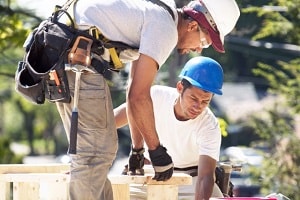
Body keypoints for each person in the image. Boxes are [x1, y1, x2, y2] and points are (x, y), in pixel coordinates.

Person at [56, 0, 240, 199]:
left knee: (93, 153)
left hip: (65, 53)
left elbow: (132, 90)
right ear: (193, 25)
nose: (199, 49)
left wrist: (137, 149)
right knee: (96, 155)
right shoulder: (166, 28)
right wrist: (156, 151)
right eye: (204, 42)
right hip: (78, 58)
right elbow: (138, 97)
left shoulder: (159, 13)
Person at [114, 56, 225, 200]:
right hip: (150, 174)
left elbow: (205, 177)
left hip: (191, 180)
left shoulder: (209, 126)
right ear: (180, 88)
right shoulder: (155, 96)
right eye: (193, 99)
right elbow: (115, 119)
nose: (198, 107)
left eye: (205, 102)